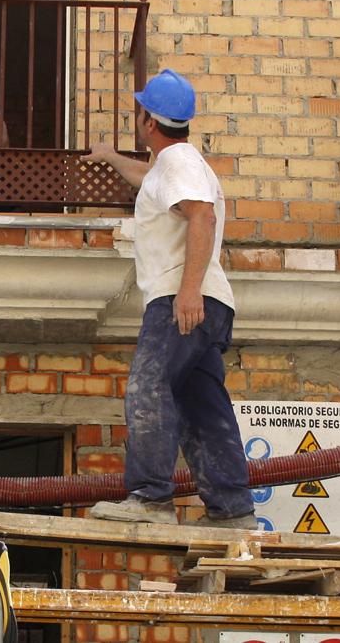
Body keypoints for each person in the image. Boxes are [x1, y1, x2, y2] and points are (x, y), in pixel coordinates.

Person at [82, 69, 256, 529]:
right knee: (202, 404)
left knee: (148, 387)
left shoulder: (178, 164)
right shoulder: (176, 164)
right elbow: (153, 180)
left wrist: (188, 290)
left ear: (148, 121)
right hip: (210, 302)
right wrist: (112, 157)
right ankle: (232, 510)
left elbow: (201, 218)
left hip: (181, 298)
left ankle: (151, 500)